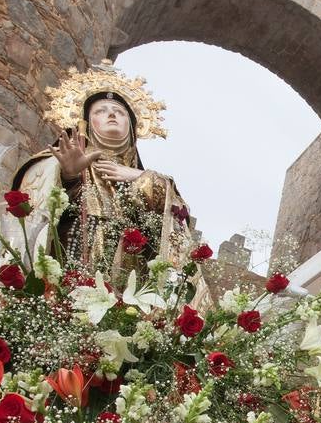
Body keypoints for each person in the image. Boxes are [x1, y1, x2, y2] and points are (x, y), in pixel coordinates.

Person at [12, 61, 195, 273]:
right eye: (100, 111)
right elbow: (35, 209)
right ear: (86, 123)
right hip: (70, 261)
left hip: (127, 273)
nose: (111, 114)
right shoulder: (60, 161)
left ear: (133, 127)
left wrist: (144, 179)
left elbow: (175, 225)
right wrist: (68, 174)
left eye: (120, 111)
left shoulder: (144, 176)